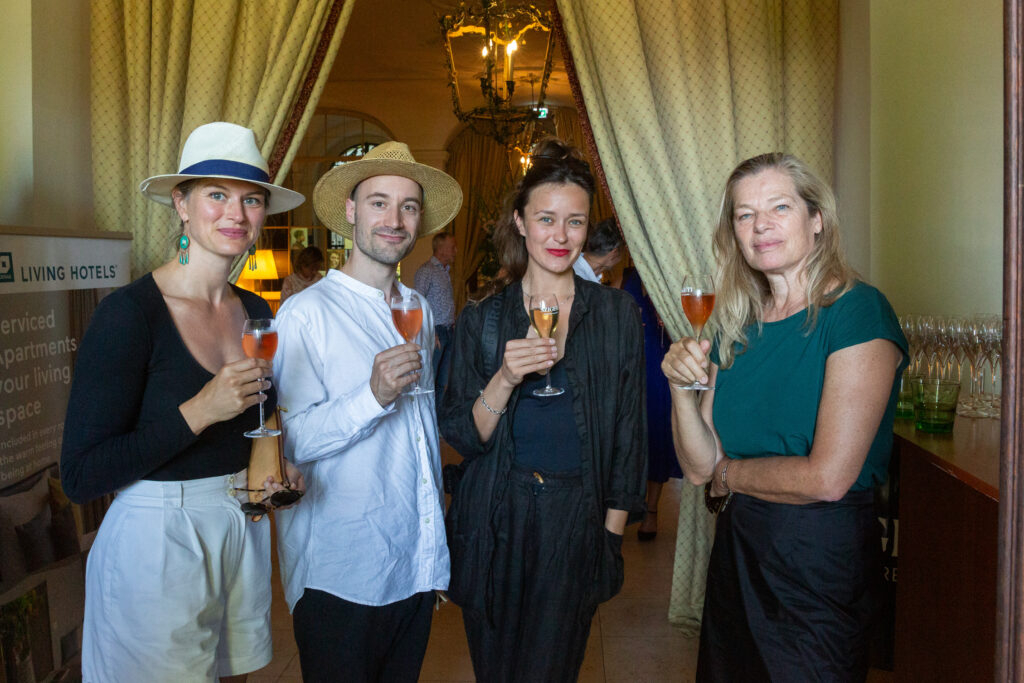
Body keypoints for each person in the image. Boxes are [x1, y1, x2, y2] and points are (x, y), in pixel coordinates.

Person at [60, 121, 306, 682]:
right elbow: (80, 474)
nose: (235, 214)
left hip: (240, 529)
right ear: (182, 205)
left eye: (250, 200)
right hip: (157, 541)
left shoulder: (258, 312)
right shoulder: (128, 315)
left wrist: (276, 468)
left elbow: (261, 424)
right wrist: (199, 411)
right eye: (216, 195)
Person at [662, 153, 908, 681]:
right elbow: (700, 467)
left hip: (819, 560)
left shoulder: (858, 312)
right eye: (744, 214)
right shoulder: (734, 324)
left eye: (779, 206)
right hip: (737, 552)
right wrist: (682, 392)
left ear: (816, 219)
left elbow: (828, 478)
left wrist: (732, 475)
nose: (761, 226)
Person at [439, 138, 646, 682]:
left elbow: (629, 435)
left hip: (574, 518)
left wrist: (609, 535)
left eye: (574, 222)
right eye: (546, 219)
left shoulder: (616, 315)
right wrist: (506, 377)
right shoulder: (482, 316)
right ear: (520, 223)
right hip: (494, 514)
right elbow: (461, 432)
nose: (560, 236)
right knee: (496, 670)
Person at [272, 141, 463, 682]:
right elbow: (290, 443)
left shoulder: (416, 308)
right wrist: (371, 396)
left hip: (412, 561)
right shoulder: (305, 315)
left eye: (407, 206)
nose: (394, 219)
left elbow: (420, 430)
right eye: (378, 202)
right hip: (341, 570)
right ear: (351, 212)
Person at [621, 266, 682, 541]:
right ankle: (618, 511)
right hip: (626, 372)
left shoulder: (672, 271)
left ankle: (651, 510)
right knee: (624, 443)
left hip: (661, 371)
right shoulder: (625, 277)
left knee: (657, 438)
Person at [414, 232, 456, 392]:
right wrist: (430, 332)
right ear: (441, 249)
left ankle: (438, 417)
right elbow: (416, 301)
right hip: (436, 333)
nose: (456, 251)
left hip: (448, 330)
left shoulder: (444, 271)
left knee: (442, 382)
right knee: (430, 380)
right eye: (452, 247)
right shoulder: (427, 271)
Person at [572, 216, 624, 283]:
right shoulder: (578, 279)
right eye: (624, 252)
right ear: (614, 253)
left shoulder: (575, 268)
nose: (621, 258)